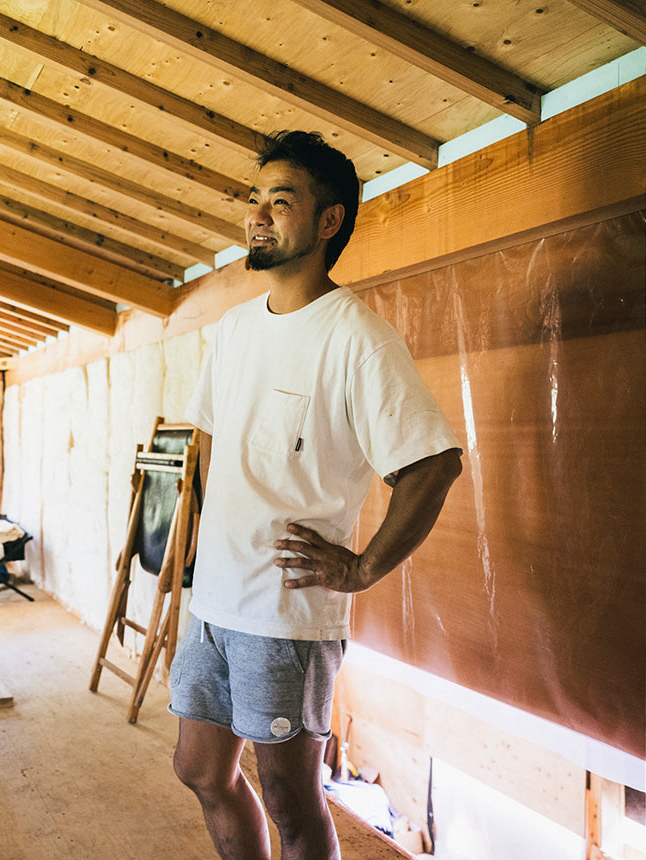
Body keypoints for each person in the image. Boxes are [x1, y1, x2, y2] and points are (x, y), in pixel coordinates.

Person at [170, 130, 463, 860]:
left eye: (281, 201)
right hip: (213, 600)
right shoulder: (234, 330)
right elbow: (209, 442)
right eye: (254, 200)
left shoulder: (356, 338)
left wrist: (360, 569)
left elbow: (433, 464)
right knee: (200, 770)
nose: (258, 216)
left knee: (290, 800)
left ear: (329, 221)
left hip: (285, 612)